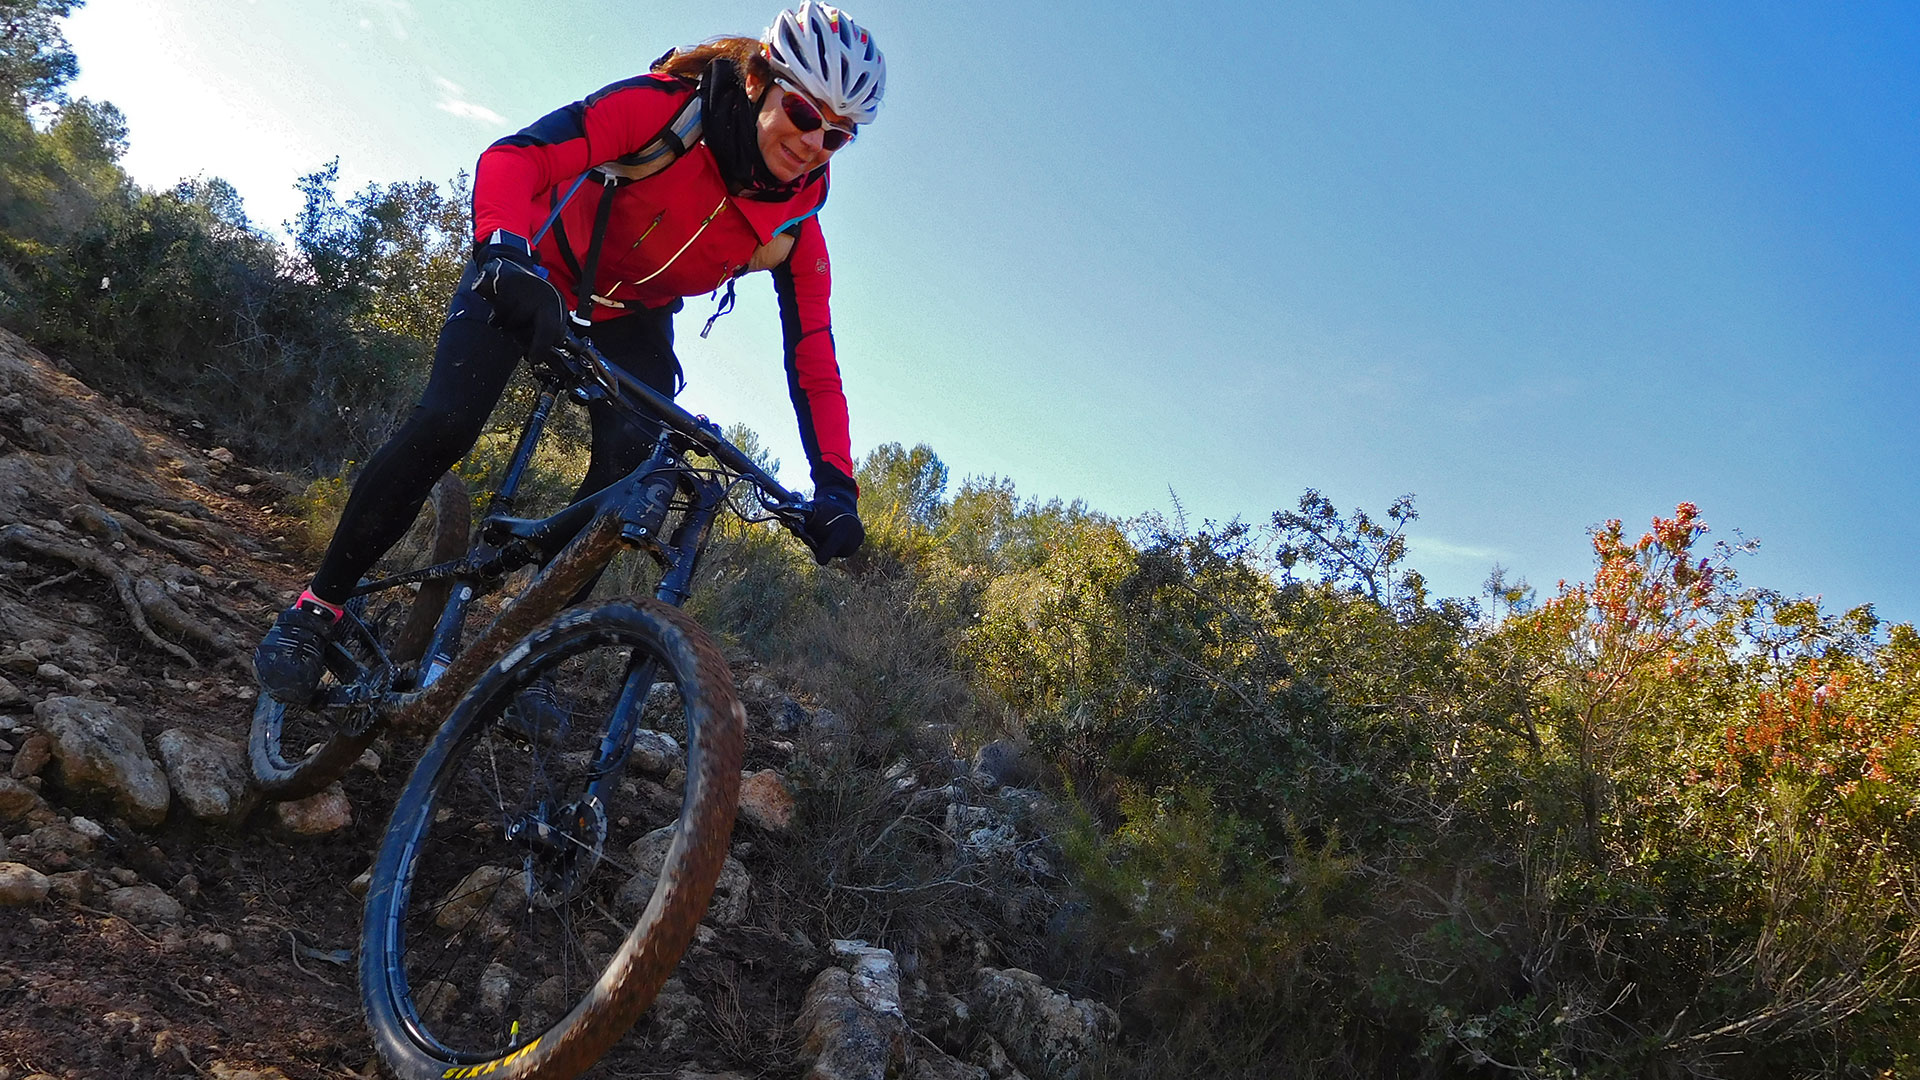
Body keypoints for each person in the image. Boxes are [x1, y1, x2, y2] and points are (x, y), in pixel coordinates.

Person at [253, 2, 883, 703]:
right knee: (447, 422)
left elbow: (815, 364)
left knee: (629, 479)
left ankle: (517, 658)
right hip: (536, 261)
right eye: (803, 115)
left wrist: (836, 488)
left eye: (838, 135)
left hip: (632, 315)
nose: (813, 143)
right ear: (761, 79)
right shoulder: (666, 111)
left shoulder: (796, 224)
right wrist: (503, 252)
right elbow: (514, 158)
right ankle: (318, 609)